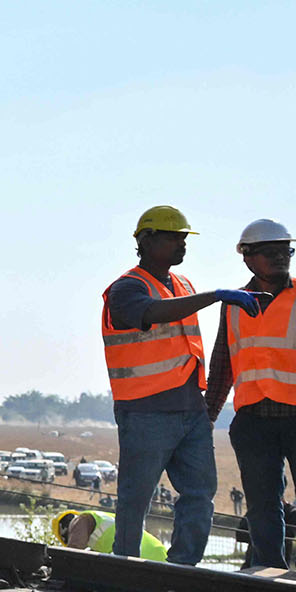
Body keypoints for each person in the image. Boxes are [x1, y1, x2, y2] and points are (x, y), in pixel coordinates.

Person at [101, 206, 260, 565]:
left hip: (190, 409)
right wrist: (215, 296)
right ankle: (124, 568)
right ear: (146, 240)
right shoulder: (127, 288)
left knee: (200, 494)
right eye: (173, 237)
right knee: (136, 498)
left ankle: (182, 569)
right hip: (146, 411)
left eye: (184, 238)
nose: (181, 244)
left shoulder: (183, 284)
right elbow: (151, 312)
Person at [203, 219, 296, 576]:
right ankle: (266, 575)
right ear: (247, 257)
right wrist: (208, 417)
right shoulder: (233, 304)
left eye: (285, 251)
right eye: (270, 251)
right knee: (261, 506)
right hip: (254, 419)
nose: (280, 257)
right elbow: (222, 364)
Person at [51, 510, 169, 562]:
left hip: (143, 557)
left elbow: (73, 552)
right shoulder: (99, 519)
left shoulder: (80, 521)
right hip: (157, 555)